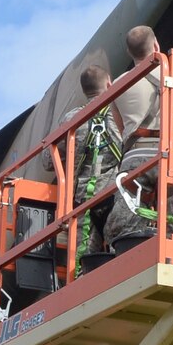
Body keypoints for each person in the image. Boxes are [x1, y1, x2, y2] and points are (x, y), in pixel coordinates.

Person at [104, 26, 173, 251]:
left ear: (129, 52)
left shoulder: (118, 85)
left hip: (135, 158)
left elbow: (122, 128)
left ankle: (129, 257)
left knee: (127, 225)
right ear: (156, 46)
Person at [40, 62, 120, 258]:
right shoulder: (120, 113)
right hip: (116, 193)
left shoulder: (71, 119)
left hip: (83, 199)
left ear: (85, 91)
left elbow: (48, 161)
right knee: (121, 250)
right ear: (109, 84)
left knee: (82, 260)